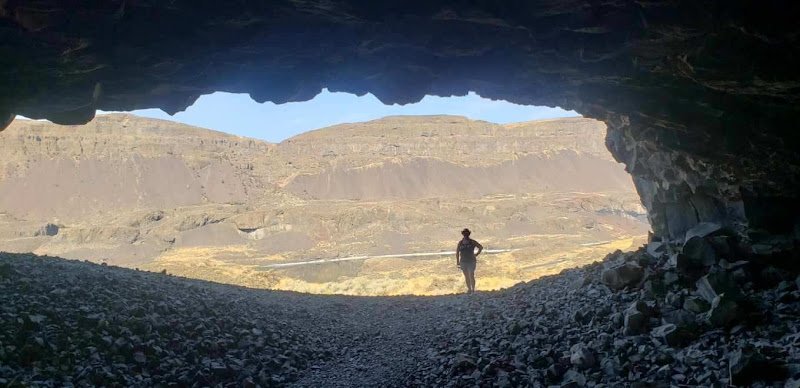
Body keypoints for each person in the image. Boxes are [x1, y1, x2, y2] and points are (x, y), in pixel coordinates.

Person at [456, 228, 483, 294]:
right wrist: (457, 262)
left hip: (471, 261)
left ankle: (473, 289)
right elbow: (457, 252)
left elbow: (480, 247)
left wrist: (476, 254)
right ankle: (469, 289)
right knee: (466, 276)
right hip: (463, 261)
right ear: (463, 234)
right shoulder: (460, 242)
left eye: (467, 233)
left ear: (469, 234)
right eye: (464, 233)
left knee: (471, 274)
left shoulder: (472, 242)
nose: (465, 235)